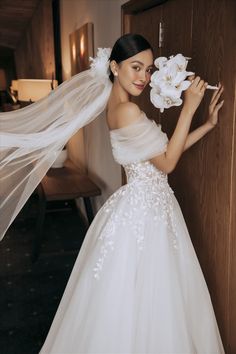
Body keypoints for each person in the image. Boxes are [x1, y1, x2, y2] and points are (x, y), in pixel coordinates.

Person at [0, 34, 225, 353]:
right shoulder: (127, 112)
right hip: (144, 213)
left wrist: (209, 125)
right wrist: (189, 108)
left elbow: (161, 155)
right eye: (136, 67)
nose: (144, 78)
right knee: (145, 297)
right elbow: (169, 163)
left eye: (149, 70)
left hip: (149, 207)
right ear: (115, 67)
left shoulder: (119, 107)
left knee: (149, 297)